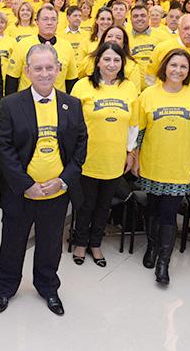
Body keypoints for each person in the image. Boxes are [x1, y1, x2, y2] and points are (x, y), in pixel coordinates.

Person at [0, 44, 87, 316]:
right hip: (21, 192)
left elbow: (81, 147)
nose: (45, 73)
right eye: (38, 68)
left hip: (56, 192)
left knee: (50, 244)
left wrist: (63, 181)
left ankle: (48, 287)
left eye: (50, 67)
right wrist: (26, 186)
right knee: (12, 242)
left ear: (59, 69)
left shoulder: (72, 105)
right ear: (27, 71)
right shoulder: (10, 104)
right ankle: (6, 288)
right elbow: (5, 149)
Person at [132, 49, 190, 285]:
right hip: (152, 163)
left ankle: (163, 261)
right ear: (165, 67)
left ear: (189, 71)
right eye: (173, 65)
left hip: (180, 167)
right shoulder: (148, 94)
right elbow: (139, 132)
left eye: (183, 67)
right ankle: (152, 247)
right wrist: (134, 157)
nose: (177, 70)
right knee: (153, 209)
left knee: (168, 213)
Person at [70, 42, 139, 267]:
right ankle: (80, 242)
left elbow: (133, 125)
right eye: (106, 59)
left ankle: (95, 243)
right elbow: (72, 124)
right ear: (98, 61)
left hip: (114, 157)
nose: (111, 64)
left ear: (122, 64)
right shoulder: (82, 86)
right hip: (87, 157)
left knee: (103, 205)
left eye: (116, 60)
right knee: (85, 204)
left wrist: (130, 152)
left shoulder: (129, 88)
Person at [7, 4, 79, 95]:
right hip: (27, 102)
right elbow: (12, 78)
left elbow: (71, 80)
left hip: (57, 102)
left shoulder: (67, 46)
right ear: (37, 22)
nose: (49, 22)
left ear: (57, 22)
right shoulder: (22, 44)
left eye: (53, 19)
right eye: (45, 19)